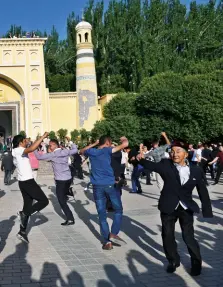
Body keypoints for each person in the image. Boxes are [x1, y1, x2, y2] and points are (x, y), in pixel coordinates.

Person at [137, 140, 213, 276]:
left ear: (186, 154)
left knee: (188, 236)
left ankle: (196, 263)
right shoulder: (165, 165)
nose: (174, 154)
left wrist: (207, 211)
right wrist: (139, 159)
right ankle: (173, 261)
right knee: (168, 235)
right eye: (172, 152)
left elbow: (203, 191)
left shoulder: (196, 170)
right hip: (168, 206)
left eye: (178, 151)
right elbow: (150, 165)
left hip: (186, 207)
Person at [80, 136, 129, 250]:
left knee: (102, 215)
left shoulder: (91, 151)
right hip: (110, 185)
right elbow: (125, 144)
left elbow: (81, 151)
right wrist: (123, 138)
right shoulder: (107, 150)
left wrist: (94, 144)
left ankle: (107, 242)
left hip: (97, 187)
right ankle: (114, 233)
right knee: (118, 209)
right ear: (107, 143)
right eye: (110, 143)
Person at [12, 133, 49, 243]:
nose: (26, 142)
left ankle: (22, 232)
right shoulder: (18, 150)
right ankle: (24, 213)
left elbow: (31, 148)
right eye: (25, 140)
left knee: (28, 205)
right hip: (27, 182)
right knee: (44, 201)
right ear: (20, 142)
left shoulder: (19, 151)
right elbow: (32, 148)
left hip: (24, 182)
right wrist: (42, 137)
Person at [34, 139, 78, 226]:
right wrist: (72, 142)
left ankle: (70, 219)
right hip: (68, 178)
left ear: (55, 145)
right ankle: (68, 192)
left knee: (61, 201)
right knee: (64, 193)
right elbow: (75, 150)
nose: (49, 147)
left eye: (50, 146)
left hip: (60, 180)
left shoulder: (53, 155)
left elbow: (39, 157)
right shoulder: (65, 151)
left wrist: (34, 148)